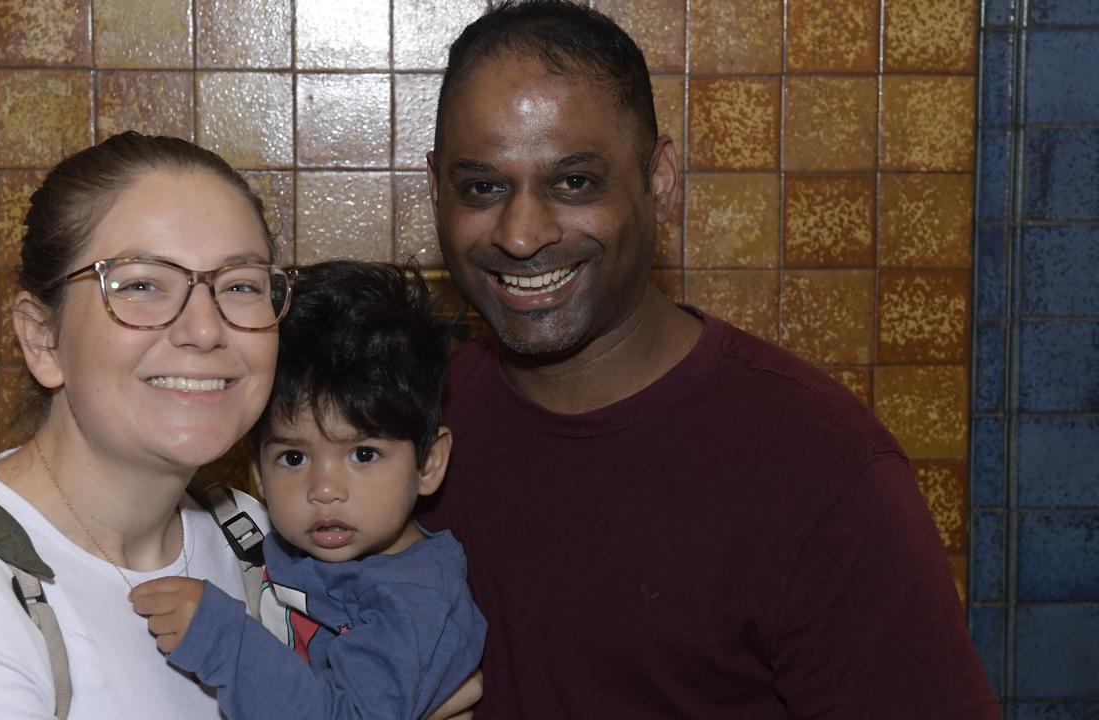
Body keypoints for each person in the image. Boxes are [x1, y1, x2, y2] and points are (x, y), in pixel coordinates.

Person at [417, 2, 1001, 718]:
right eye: (483, 187)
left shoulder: (820, 470)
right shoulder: (404, 427)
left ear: (659, 181)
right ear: (435, 189)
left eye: (574, 182)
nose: (521, 233)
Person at [0, 133, 477, 720]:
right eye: (140, 285)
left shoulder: (258, 542)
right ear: (42, 338)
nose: (203, 328)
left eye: (241, 285)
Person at [129, 260, 487, 720]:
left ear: (428, 463)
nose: (324, 490)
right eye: (293, 458)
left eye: (363, 454)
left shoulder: (414, 601)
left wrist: (223, 639)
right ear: (257, 471)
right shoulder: (277, 538)